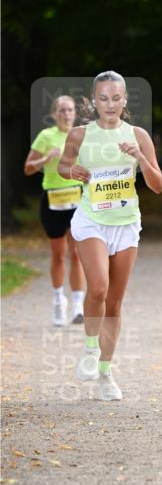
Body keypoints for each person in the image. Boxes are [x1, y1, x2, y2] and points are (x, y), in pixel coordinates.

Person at [58, 71, 162, 400]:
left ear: (125, 100)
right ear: (93, 101)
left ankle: (105, 373)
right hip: (91, 221)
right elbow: (64, 165)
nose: (110, 104)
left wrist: (140, 157)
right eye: (103, 98)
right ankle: (89, 350)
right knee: (99, 287)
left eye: (116, 98)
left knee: (115, 304)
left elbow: (158, 185)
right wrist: (71, 171)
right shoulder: (79, 134)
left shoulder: (138, 135)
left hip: (126, 223)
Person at [24, 95, 85, 325]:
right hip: (53, 199)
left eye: (70, 110)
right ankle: (59, 301)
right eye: (62, 110)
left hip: (77, 197)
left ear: (75, 113)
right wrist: (46, 159)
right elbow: (28, 168)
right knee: (58, 254)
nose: (66, 114)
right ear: (54, 114)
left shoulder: (81, 136)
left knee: (77, 254)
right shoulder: (46, 136)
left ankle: (78, 306)